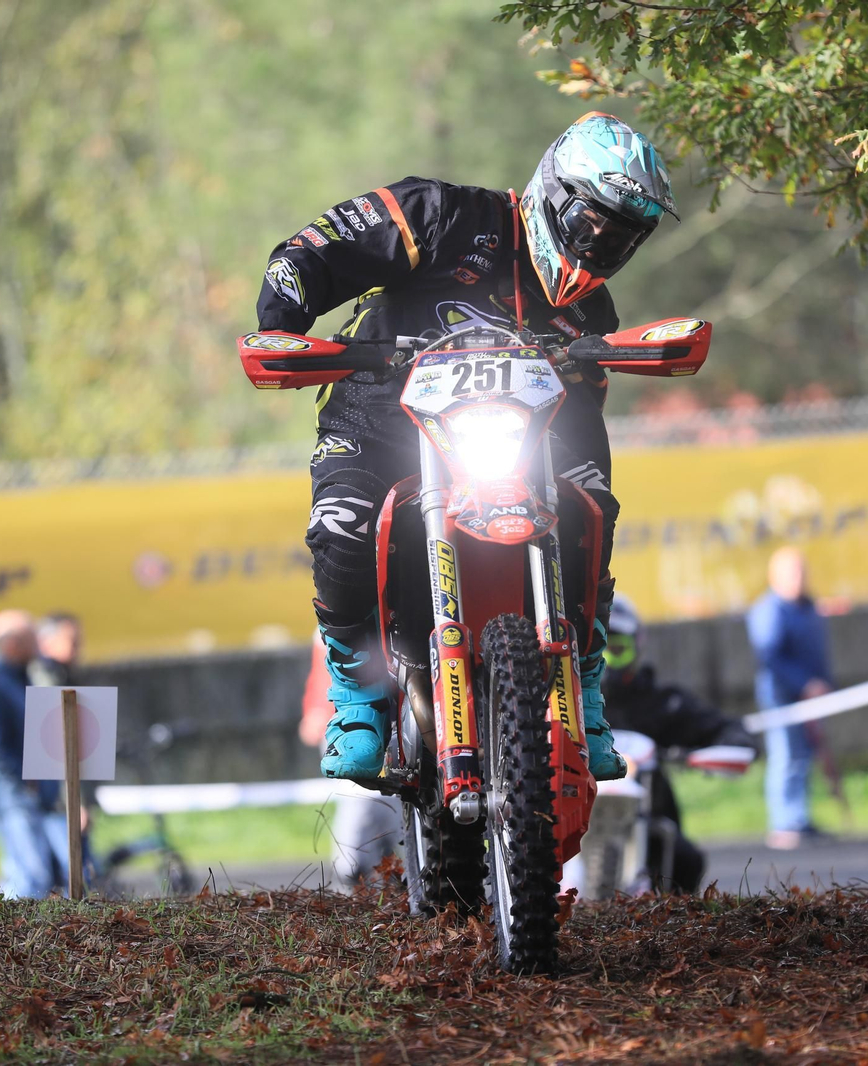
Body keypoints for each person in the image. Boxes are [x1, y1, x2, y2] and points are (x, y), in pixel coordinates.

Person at [255, 113, 681, 784]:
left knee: (591, 504)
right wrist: (282, 321)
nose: (601, 242)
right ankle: (356, 697)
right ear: (554, 193)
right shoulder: (444, 215)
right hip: (379, 418)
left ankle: (585, 691)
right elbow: (315, 248)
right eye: (591, 221)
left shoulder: (590, 313)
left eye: (621, 235)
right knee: (338, 529)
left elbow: (586, 415)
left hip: (514, 445)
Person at [597, 594, 756, 892]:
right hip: (567, 824)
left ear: (637, 646)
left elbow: (724, 728)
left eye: (616, 647)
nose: (605, 660)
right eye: (594, 649)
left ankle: (670, 930)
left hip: (647, 826)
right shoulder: (559, 705)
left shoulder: (661, 703)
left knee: (686, 860)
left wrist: (733, 743)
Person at [0, 609, 67, 898]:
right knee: (29, 880)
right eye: (30, 637)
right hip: (13, 802)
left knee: (40, 877)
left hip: (30, 800)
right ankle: (10, 941)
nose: (38, 643)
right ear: (10, 644)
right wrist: (25, 782)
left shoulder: (23, 682)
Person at [298, 630, 400, 887]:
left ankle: (391, 864)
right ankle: (351, 869)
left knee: (396, 798)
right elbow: (324, 671)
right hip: (351, 723)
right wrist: (317, 711)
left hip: (395, 716)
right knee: (360, 794)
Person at [747, 547, 833, 850]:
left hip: (809, 696)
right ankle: (783, 822)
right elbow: (771, 657)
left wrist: (822, 683)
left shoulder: (808, 607)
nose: (800, 578)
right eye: (793, 572)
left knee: (803, 756)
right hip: (781, 697)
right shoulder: (768, 611)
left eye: (802, 571)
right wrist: (804, 683)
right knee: (785, 755)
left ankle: (799, 817)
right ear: (775, 576)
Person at [29, 612, 92, 864]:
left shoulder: (62, 676)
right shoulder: (44, 680)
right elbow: (57, 747)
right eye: (72, 640)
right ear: (47, 642)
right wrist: (75, 802)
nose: (78, 647)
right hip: (55, 799)